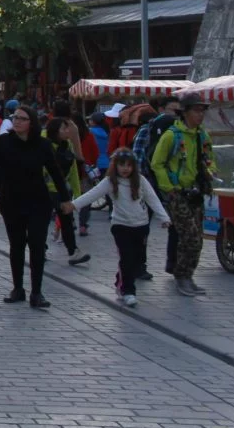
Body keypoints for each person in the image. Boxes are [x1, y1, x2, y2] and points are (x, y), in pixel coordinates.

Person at [0, 105, 70, 309]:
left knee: (37, 246)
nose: (17, 121)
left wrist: (65, 199)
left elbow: (55, 173)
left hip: (38, 202)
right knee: (16, 245)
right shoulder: (4, 142)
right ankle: (18, 288)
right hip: (12, 202)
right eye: (15, 117)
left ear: (31, 123)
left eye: (22, 118)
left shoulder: (42, 145)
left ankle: (37, 292)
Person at [62, 149, 169, 307]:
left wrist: (164, 217)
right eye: (121, 165)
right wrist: (73, 205)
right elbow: (93, 194)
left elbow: (152, 199)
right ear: (115, 166)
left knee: (136, 259)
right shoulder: (110, 182)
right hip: (121, 226)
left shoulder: (140, 180)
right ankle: (128, 291)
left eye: (129, 165)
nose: (125, 169)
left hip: (141, 225)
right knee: (126, 258)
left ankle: (121, 279)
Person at [150, 93, 216, 297]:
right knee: (189, 237)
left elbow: (210, 158)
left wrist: (211, 170)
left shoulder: (202, 135)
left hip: (196, 192)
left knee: (197, 238)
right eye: (196, 110)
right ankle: (181, 276)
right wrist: (168, 187)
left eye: (203, 111)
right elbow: (156, 163)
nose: (200, 115)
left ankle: (188, 276)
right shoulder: (171, 135)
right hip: (177, 194)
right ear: (185, 112)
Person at [133, 96, 180, 278]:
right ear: (161, 109)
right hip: (149, 185)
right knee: (142, 226)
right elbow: (137, 158)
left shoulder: (179, 132)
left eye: (179, 111)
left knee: (175, 225)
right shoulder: (148, 129)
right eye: (172, 110)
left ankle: (173, 264)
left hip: (171, 186)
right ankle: (139, 265)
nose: (176, 115)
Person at [42, 117, 90, 266]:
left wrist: (77, 192)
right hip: (45, 191)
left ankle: (73, 252)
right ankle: (39, 249)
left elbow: (74, 169)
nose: (67, 131)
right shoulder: (44, 143)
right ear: (56, 130)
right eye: (64, 128)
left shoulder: (67, 144)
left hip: (62, 191)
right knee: (41, 222)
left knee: (67, 221)